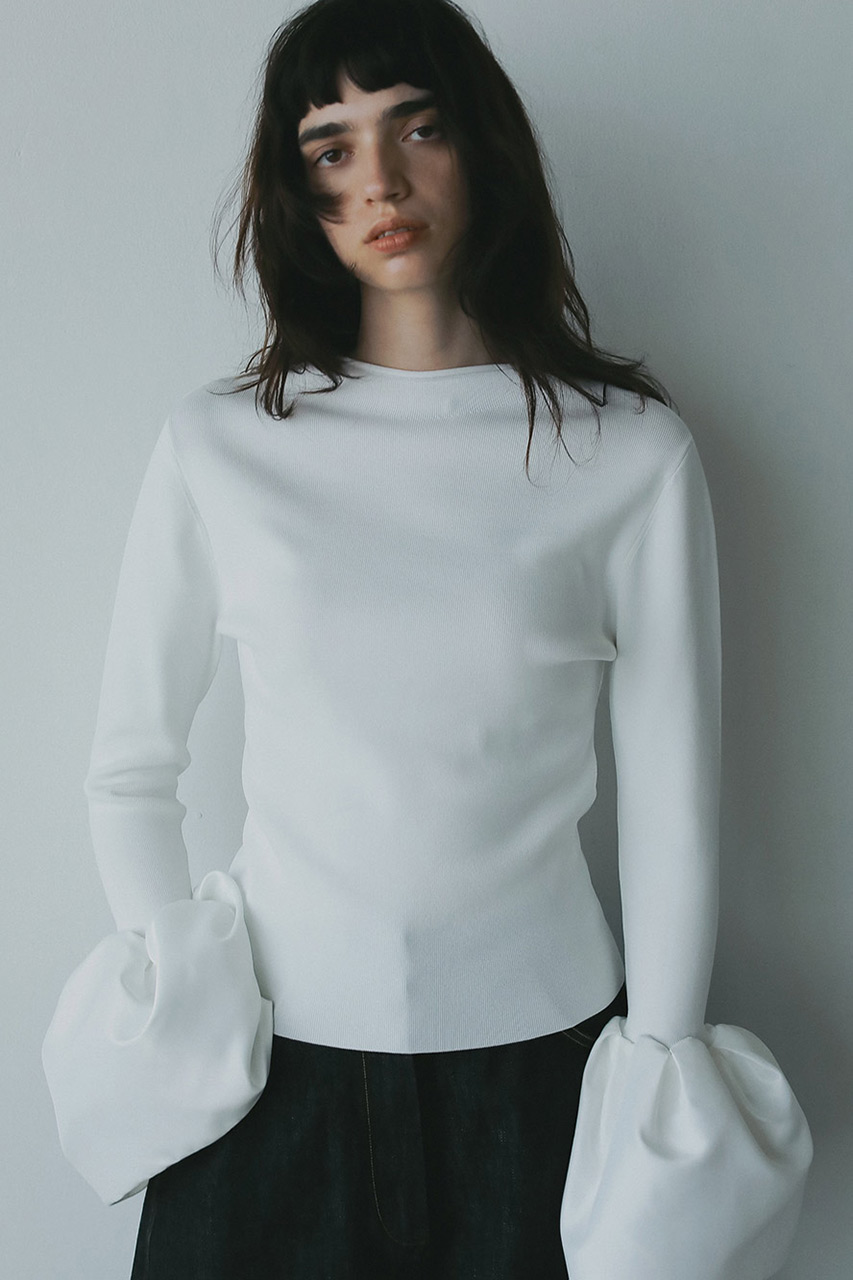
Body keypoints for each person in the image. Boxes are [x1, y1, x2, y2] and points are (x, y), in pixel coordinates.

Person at [67, 1, 804, 1277]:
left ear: (482, 146)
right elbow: (129, 768)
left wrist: (660, 1065)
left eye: (417, 128)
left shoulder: (629, 454)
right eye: (331, 147)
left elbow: (674, 808)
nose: (380, 182)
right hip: (268, 1085)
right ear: (296, 188)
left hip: (547, 1084)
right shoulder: (221, 444)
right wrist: (185, 995)